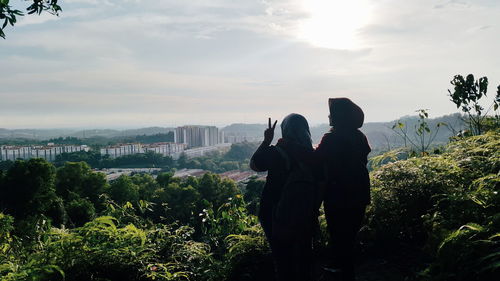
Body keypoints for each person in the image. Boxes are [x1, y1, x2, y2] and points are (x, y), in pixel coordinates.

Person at [250, 114, 319, 281]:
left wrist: (267, 141)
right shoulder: (314, 156)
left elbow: (254, 165)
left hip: (275, 212)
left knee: (282, 259)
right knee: (304, 256)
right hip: (305, 214)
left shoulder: (278, 152)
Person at [315, 98, 371, 281]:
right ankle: (347, 273)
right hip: (360, 192)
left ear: (339, 117)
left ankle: (342, 273)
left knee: (339, 238)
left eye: (332, 113)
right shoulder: (359, 137)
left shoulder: (331, 138)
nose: (329, 116)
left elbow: (314, 160)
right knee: (349, 237)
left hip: (338, 195)